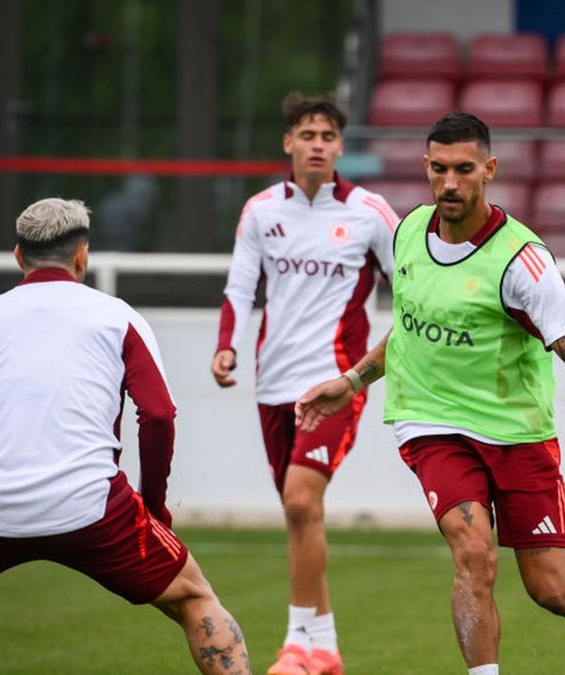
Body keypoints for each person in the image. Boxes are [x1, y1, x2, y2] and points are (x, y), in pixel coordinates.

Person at [296, 113, 565, 675]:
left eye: (464, 170)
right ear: (426, 166)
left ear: (489, 169)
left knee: (552, 588)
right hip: (432, 424)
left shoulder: (522, 259)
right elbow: (413, 329)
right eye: (439, 169)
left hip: (517, 433)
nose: (450, 183)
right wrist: (350, 382)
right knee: (472, 554)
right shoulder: (407, 233)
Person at [0, 199, 251, 675]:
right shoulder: (118, 317)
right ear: (82, 256)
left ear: (18, 256)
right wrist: (155, 510)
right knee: (196, 599)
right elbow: (158, 416)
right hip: (95, 508)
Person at [211, 93, 396, 675]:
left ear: (340, 147)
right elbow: (240, 287)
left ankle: (295, 645)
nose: (317, 144)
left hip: (337, 383)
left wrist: (379, 363)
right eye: (307, 134)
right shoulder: (261, 210)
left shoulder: (370, 211)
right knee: (301, 514)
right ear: (288, 142)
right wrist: (227, 344)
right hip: (273, 385)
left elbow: (414, 286)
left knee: (298, 500)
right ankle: (327, 650)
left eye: (327, 136)